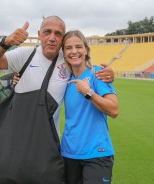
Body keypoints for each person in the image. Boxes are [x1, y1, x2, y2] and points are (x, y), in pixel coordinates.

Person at [0, 15, 114, 135]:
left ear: (62, 39)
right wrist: (5, 42)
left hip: (49, 141)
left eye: (58, 34)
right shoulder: (25, 55)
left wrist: (107, 73)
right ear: (39, 35)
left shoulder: (68, 60)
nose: (52, 38)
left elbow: (86, 66)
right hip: (19, 136)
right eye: (47, 32)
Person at [60, 30, 119, 184]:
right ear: (64, 53)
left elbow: (114, 110)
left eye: (78, 47)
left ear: (86, 50)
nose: (74, 51)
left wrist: (88, 92)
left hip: (97, 154)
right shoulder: (64, 80)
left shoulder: (97, 73)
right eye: (69, 48)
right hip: (68, 154)